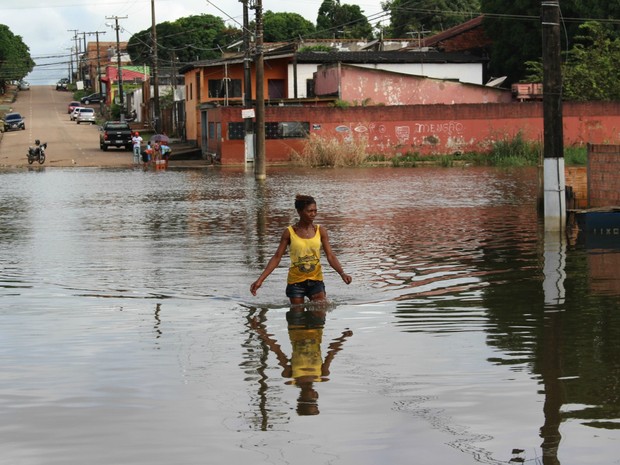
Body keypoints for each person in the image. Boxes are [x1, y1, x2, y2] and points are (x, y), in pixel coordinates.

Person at [250, 194, 352, 305]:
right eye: (309, 211)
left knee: (320, 313)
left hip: (316, 280)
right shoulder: (289, 232)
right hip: (295, 283)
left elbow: (330, 256)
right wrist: (260, 280)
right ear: (299, 212)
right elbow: (277, 257)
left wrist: (342, 273)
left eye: (315, 211)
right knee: (297, 318)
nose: (313, 214)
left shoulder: (320, 231)